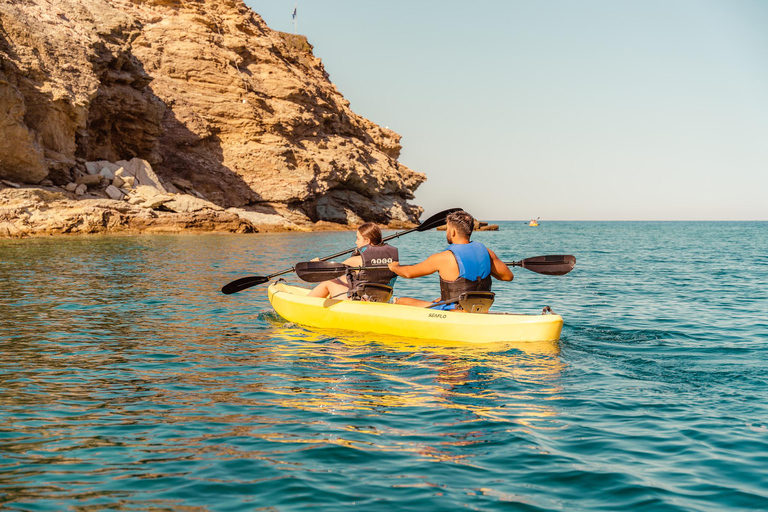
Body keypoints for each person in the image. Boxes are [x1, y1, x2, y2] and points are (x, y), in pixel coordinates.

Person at [387, 210, 513, 309]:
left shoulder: (443, 258)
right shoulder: (487, 252)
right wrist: (481, 267)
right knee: (438, 300)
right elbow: (508, 276)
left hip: (455, 311)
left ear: (452, 231)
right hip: (481, 308)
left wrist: (394, 267)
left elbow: (409, 273)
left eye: (447, 229)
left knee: (402, 301)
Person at [307, 223, 399, 299]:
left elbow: (325, 273)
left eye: (358, 238)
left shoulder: (355, 260)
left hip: (358, 301)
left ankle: (305, 303)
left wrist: (317, 264)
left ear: (367, 240)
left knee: (329, 281)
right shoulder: (391, 259)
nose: (356, 242)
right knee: (344, 279)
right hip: (381, 299)